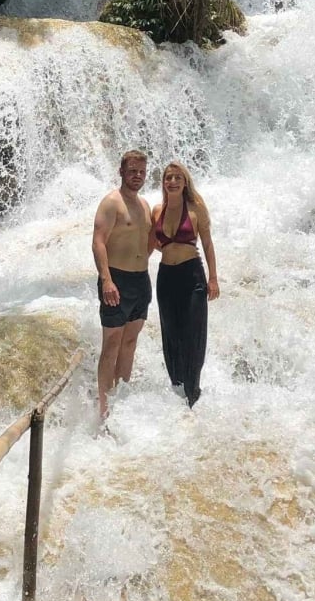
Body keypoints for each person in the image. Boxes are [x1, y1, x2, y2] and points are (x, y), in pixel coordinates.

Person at [91, 150, 154, 421]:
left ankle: (121, 403)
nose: (137, 175)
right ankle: (104, 411)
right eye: (132, 171)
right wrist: (106, 279)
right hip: (116, 280)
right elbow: (98, 242)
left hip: (141, 281)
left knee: (130, 342)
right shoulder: (111, 203)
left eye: (141, 171)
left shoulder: (145, 205)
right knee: (112, 344)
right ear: (121, 172)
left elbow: (149, 242)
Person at [150, 161, 219, 408]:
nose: (173, 181)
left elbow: (208, 244)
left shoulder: (196, 208)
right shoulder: (157, 210)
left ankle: (193, 391)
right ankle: (177, 390)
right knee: (171, 334)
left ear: (185, 181)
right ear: (163, 182)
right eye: (168, 177)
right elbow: (151, 243)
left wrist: (213, 278)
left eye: (178, 177)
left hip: (192, 276)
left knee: (193, 334)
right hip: (166, 277)